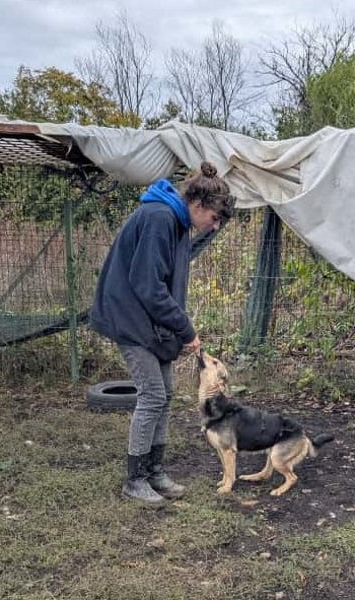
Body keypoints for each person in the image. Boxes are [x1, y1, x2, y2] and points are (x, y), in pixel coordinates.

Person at [90, 161, 235, 504]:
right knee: (152, 394)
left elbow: (168, 290)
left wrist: (175, 331)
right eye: (214, 218)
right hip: (129, 319)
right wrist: (185, 330)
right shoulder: (159, 219)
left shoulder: (177, 225)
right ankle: (135, 478)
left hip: (151, 323)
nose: (214, 227)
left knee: (165, 394)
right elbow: (147, 286)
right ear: (198, 205)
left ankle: (155, 472)